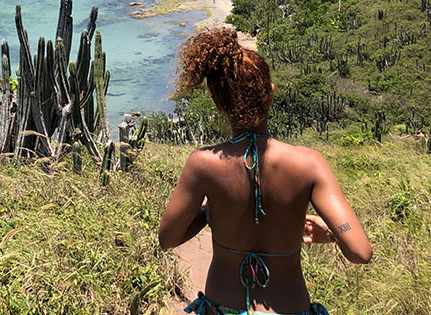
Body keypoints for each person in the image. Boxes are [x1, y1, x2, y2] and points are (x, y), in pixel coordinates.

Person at [158, 28, 372, 314]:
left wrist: (212, 212)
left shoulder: (203, 164)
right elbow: (360, 252)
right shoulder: (309, 163)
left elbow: (168, 238)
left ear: (219, 103)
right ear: (270, 95)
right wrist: (333, 233)